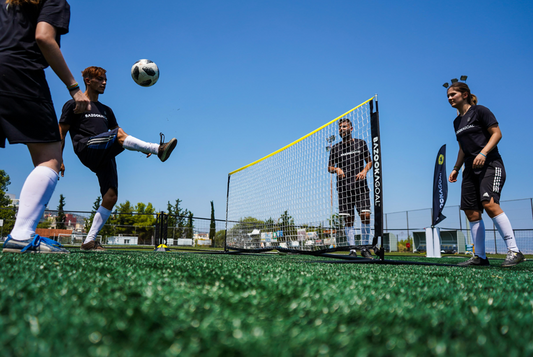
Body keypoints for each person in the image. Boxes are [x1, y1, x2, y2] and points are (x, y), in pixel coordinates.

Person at [1, 0, 90, 253]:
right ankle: (21, 236)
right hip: (20, 72)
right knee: (49, 158)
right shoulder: (52, 0)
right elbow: (43, 37)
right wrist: (74, 88)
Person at [59, 66, 177, 251]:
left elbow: (121, 134)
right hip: (86, 147)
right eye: (100, 79)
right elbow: (62, 132)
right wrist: (59, 158)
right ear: (88, 81)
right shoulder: (74, 104)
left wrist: (139, 149)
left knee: (111, 196)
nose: (104, 82)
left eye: (105, 79)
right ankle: (157, 149)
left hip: (104, 152)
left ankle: (89, 241)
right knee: (116, 135)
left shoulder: (107, 110)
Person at [447, 82, 524, 267]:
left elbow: (497, 134)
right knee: (471, 211)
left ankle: (514, 251)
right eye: (448, 96)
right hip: (469, 169)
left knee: (489, 203)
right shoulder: (456, 121)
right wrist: (456, 168)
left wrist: (483, 153)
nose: (450, 98)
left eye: (453, 94)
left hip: (490, 164)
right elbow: (462, 148)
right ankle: (480, 257)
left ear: (465, 94)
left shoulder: (480, 111)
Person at [328, 118, 373, 258]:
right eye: (340, 127)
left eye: (344, 126)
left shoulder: (361, 143)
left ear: (351, 129)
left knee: (365, 215)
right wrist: (336, 169)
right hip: (343, 189)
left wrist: (365, 171)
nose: (342, 129)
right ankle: (352, 249)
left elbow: (369, 161)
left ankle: (365, 247)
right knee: (348, 219)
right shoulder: (335, 148)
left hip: (360, 187)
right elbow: (329, 167)